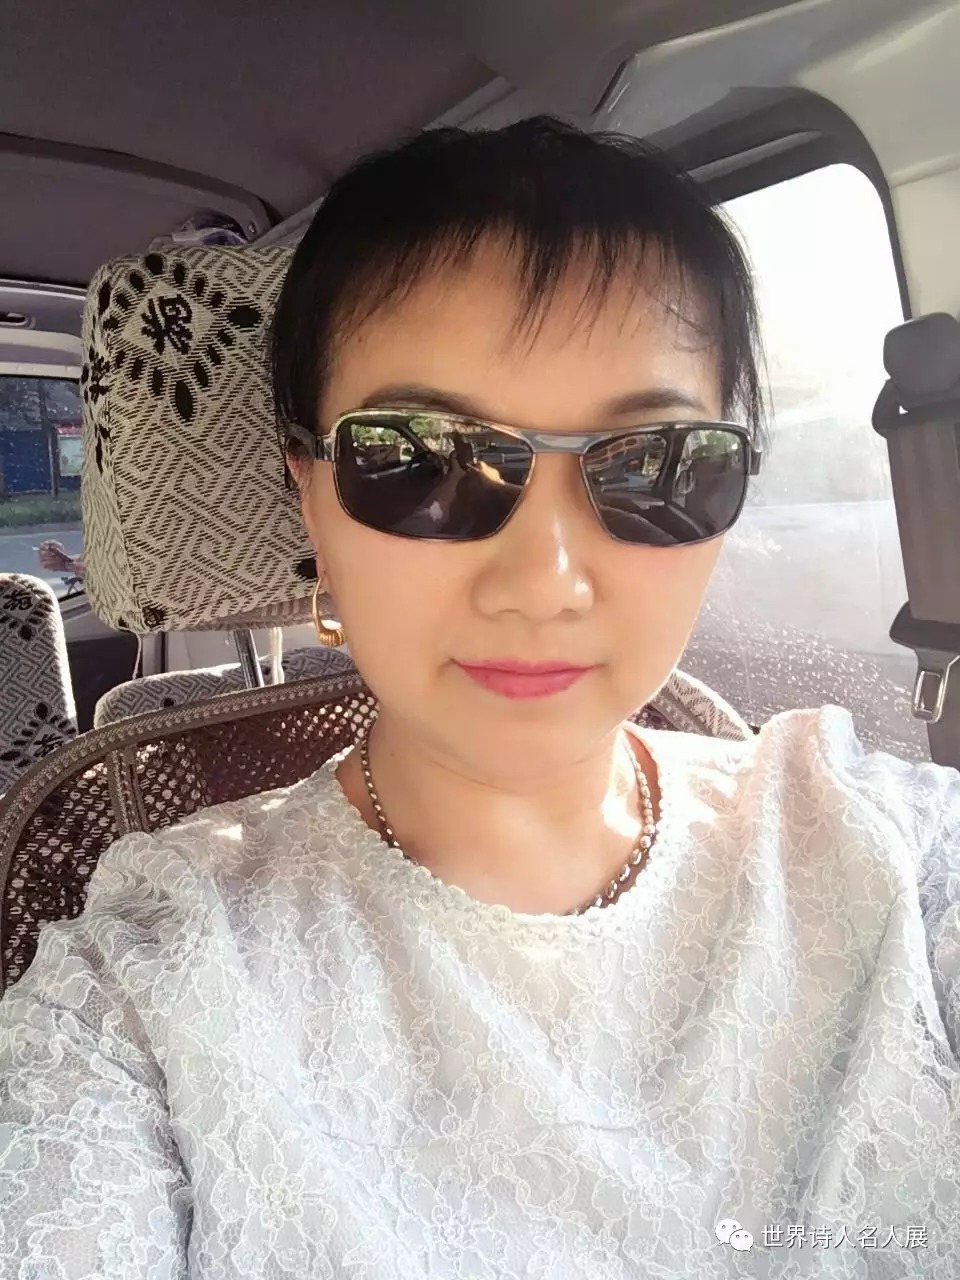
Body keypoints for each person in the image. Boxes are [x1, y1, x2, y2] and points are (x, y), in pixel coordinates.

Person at [1, 118, 957, 1279]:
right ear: (310, 496)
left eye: (657, 461)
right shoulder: (142, 995)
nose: (543, 583)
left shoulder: (888, 849)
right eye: (421, 460)